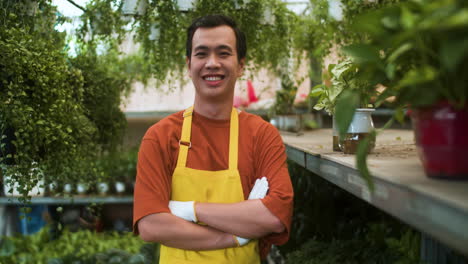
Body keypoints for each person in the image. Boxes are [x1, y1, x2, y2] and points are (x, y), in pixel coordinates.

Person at [133, 14, 294, 264]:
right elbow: (152, 225)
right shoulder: (162, 136)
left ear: (240, 65)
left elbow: (273, 216)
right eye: (201, 53)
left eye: (223, 53)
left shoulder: (261, 135)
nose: (212, 63)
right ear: (188, 65)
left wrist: (187, 209)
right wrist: (235, 237)